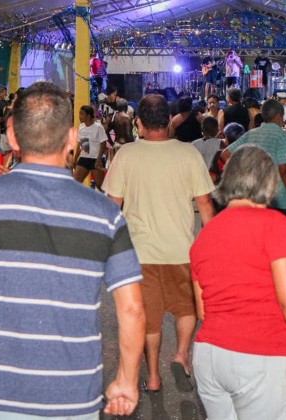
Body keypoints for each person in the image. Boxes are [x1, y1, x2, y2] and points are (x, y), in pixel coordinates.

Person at [0, 81, 145, 418]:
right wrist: (127, 379)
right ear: (72, 138)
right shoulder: (104, 212)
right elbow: (132, 308)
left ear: (13, 138)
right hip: (72, 396)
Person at [190, 145, 286, 419]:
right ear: (269, 183)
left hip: (209, 355)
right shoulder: (274, 224)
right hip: (261, 354)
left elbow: (202, 310)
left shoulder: (206, 233)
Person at [103, 93, 215, 393]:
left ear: (138, 123)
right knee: (186, 308)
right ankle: (181, 354)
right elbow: (205, 204)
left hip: (140, 253)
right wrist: (212, 246)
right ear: (168, 121)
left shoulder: (126, 155)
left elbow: (112, 205)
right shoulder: (188, 154)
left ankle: (152, 376)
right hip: (182, 250)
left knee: (149, 320)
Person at [224, 100, 286, 220]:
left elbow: (225, 154)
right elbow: (284, 169)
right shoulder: (281, 135)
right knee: (282, 237)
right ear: (279, 116)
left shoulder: (251, 134)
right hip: (278, 199)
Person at [73, 105, 110, 188]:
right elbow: (81, 144)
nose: (79, 116)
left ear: (88, 116)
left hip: (95, 159)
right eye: (79, 113)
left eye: (81, 114)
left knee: (100, 185)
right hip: (84, 158)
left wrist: (99, 159)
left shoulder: (98, 127)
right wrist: (75, 159)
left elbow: (103, 143)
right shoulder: (81, 127)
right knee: (76, 182)